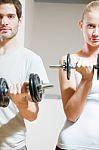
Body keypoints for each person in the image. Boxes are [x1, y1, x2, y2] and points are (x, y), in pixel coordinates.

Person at [0, 0, 49, 149]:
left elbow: (32, 115)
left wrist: (20, 102)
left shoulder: (31, 60)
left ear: (20, 20)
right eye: (0, 16)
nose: (4, 22)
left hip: (11, 147)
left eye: (10, 16)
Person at [55, 1, 99, 150]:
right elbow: (72, 115)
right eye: (91, 26)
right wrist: (86, 80)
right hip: (71, 144)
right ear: (81, 25)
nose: (95, 33)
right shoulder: (68, 61)